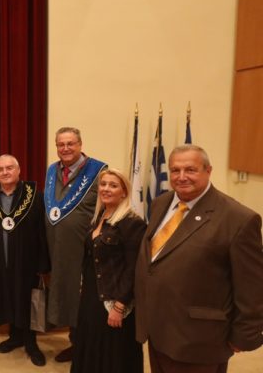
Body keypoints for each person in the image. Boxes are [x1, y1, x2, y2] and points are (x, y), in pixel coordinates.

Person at [135, 145, 263, 373]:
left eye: (190, 170)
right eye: (175, 170)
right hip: (159, 330)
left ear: (208, 170)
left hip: (200, 339)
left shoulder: (239, 219)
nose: (181, 177)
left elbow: (252, 286)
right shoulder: (161, 203)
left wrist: (244, 334)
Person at [0, 154, 50, 366]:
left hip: (27, 260)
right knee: (7, 296)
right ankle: (15, 337)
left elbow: (42, 231)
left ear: (18, 170)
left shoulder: (34, 195)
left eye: (9, 168)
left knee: (26, 299)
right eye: (0, 169)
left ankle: (31, 343)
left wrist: (42, 263)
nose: (5, 172)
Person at [71, 168, 144, 373]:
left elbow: (133, 269)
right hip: (91, 298)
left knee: (112, 354)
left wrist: (119, 306)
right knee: (90, 347)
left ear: (124, 192)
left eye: (113, 185)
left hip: (113, 300)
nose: (106, 189)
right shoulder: (98, 218)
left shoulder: (132, 223)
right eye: (103, 184)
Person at [44, 127, 106, 362]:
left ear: (80, 144)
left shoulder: (98, 171)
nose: (65, 148)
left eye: (70, 143)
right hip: (59, 249)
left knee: (84, 299)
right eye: (61, 144)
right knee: (68, 296)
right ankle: (75, 342)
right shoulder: (53, 170)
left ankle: (85, 347)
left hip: (86, 251)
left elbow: (107, 207)